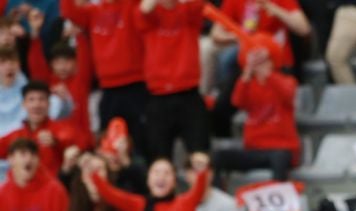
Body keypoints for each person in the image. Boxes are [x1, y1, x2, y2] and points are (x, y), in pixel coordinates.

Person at [209, 0, 310, 137]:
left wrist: (274, 9)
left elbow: (304, 28)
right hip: (248, 67)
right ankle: (228, 150)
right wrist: (239, 35)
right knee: (221, 108)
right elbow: (216, 34)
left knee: (278, 111)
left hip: (278, 66)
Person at [60, 0, 147, 157]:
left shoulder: (131, 4)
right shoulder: (92, 11)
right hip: (108, 89)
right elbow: (69, 11)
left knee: (140, 142)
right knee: (109, 146)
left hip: (136, 84)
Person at [212, 41, 299, 185]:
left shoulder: (287, 81)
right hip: (254, 149)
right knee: (218, 157)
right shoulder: (248, 84)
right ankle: (218, 199)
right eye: (257, 62)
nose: (260, 65)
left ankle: (278, 202)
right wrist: (246, 73)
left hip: (281, 148)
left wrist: (269, 76)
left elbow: (288, 94)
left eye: (264, 61)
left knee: (280, 157)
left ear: (273, 62)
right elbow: (236, 102)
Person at [134, 0, 210, 161]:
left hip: (189, 92)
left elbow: (200, 6)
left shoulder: (188, 11)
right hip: (158, 96)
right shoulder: (150, 15)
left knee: (200, 156)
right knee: (159, 160)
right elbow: (143, 10)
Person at [26, 8, 93, 150]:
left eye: (67, 61)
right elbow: (36, 65)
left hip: (80, 144)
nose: (62, 66)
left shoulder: (80, 80)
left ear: (75, 63)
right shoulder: (48, 83)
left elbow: (85, 58)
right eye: (57, 62)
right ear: (51, 64)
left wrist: (79, 35)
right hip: (51, 143)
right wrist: (35, 35)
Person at [0, 79, 84, 175]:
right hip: (22, 187)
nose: (36, 105)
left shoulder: (61, 129)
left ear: (49, 104)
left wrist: (56, 142)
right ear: (24, 104)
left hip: (55, 186)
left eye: (41, 99)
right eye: (31, 100)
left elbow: (81, 145)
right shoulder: (16, 136)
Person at [0, 47, 69, 138]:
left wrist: (64, 100)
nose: (9, 66)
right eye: (3, 62)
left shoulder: (30, 91)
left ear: (19, 65)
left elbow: (63, 113)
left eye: (13, 62)